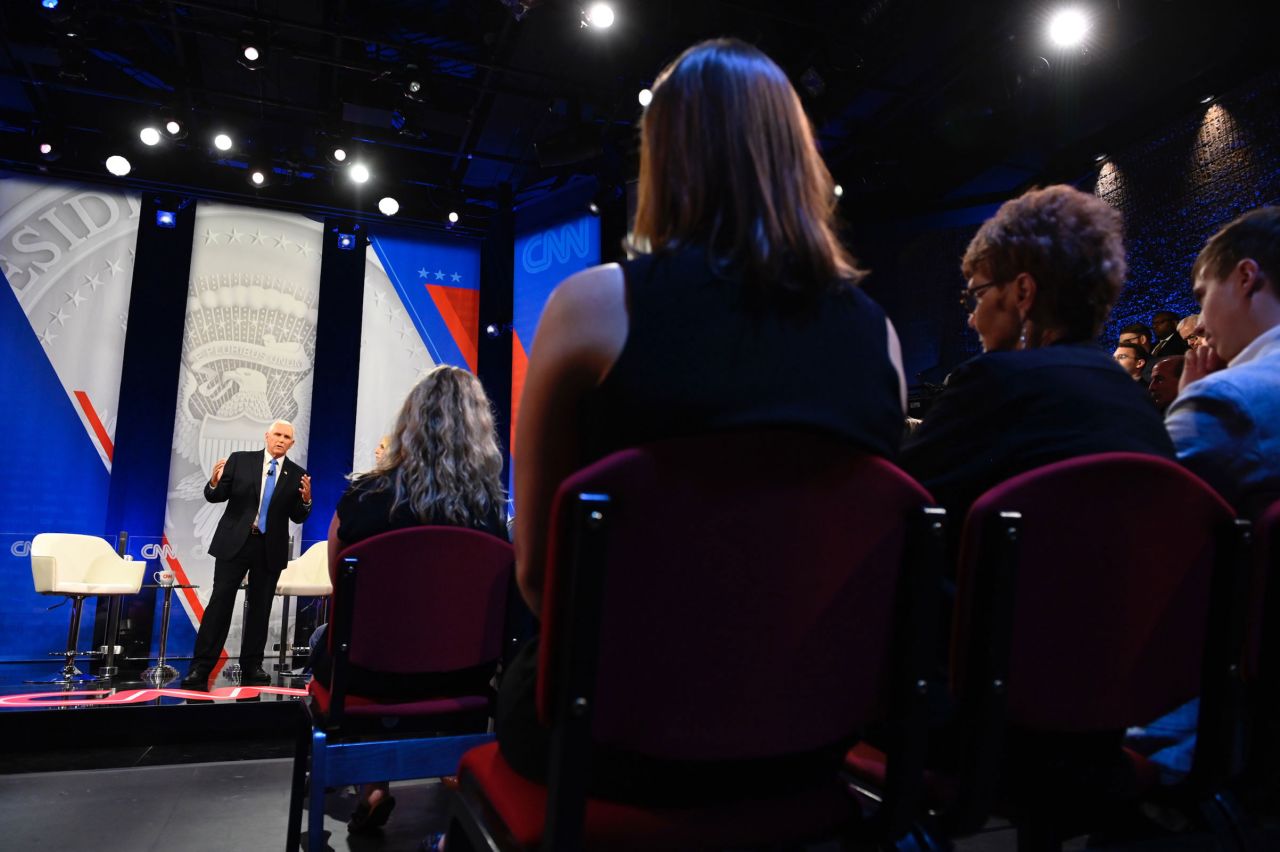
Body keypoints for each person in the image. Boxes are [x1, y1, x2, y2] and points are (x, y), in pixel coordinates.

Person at [498, 37, 906, 805]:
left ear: (666, 158)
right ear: (798, 158)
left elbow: (536, 577)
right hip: (810, 729)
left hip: (610, 734)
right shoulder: (879, 335)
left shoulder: (590, 307)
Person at [901, 185, 1174, 524]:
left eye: (976, 296)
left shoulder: (991, 383)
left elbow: (898, 503)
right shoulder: (1141, 408)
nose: (972, 317)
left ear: (1023, 292)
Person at [312, 365, 507, 832]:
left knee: (332, 635)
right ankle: (454, 769)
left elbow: (342, 584)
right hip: (466, 682)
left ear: (408, 423)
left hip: (368, 676)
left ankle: (372, 787)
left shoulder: (362, 496)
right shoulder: (490, 513)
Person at [1165, 206, 1280, 518]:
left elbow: (1151, 517)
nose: (1199, 324)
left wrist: (1191, 399)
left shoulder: (1222, 399)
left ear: (1246, 277)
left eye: (1202, 297)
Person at [181, 420, 312, 689]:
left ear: (292, 443)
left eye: (286, 437)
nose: (281, 440)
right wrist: (215, 482)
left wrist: (307, 500)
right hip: (235, 543)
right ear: (267, 436)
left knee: (260, 608)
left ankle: (252, 666)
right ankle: (201, 667)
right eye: (277, 434)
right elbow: (215, 496)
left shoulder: (297, 474)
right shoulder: (240, 461)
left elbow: (297, 516)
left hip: (269, 547)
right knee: (220, 603)